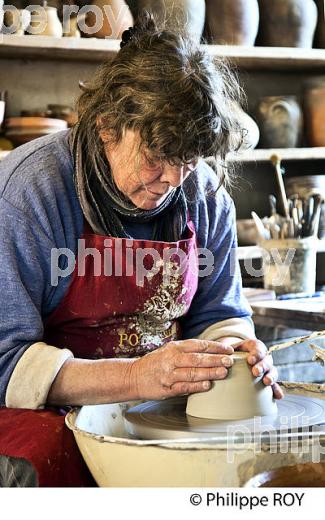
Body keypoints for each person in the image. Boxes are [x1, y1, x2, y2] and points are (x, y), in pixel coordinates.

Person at [0, 13, 283, 486]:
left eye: (188, 161)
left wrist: (234, 353)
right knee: (50, 457)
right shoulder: (30, 192)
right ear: (108, 126)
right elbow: (5, 363)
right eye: (156, 157)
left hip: (158, 398)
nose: (173, 180)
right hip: (43, 411)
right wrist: (136, 377)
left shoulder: (203, 193)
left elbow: (220, 311)